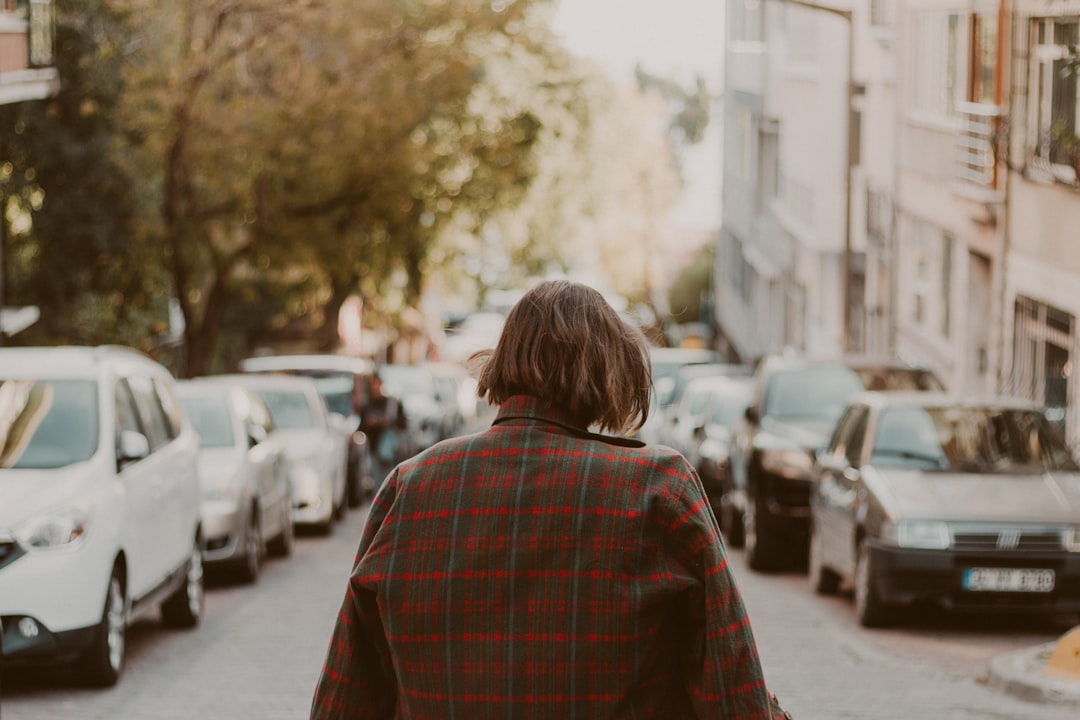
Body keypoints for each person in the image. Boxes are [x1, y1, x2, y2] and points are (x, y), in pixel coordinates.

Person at [310, 280, 792, 720]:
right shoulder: (657, 490)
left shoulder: (409, 489)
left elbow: (344, 699)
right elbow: (735, 696)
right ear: (612, 371)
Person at [357, 371, 407, 483]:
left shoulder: (392, 403)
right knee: (378, 480)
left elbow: (403, 423)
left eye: (377, 384)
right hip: (374, 448)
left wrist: (387, 422)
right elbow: (362, 427)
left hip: (391, 449)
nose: (375, 388)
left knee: (391, 478)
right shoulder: (367, 404)